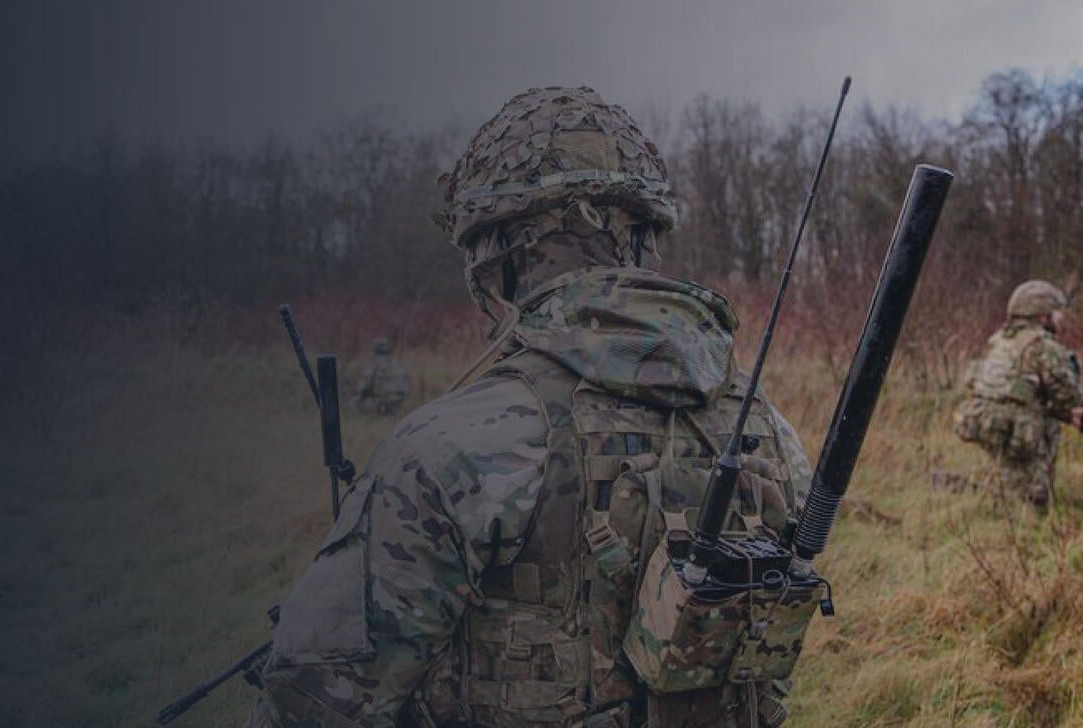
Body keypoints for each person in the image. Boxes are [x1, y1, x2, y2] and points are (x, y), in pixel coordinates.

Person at [248, 87, 812, 727]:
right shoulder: (766, 427)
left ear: (499, 254)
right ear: (647, 237)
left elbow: (312, 707)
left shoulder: (451, 448)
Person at [953, 280, 1083, 510]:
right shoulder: (1043, 346)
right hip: (1019, 430)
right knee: (1032, 502)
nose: (1061, 319)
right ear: (1043, 315)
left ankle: (995, 506)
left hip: (989, 423)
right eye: (1057, 313)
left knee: (1008, 485)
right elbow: (1070, 398)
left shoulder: (1000, 339)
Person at [353, 338, 413, 415]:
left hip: (380, 403)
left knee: (354, 401)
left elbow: (362, 389)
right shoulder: (399, 365)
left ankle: (358, 421)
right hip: (399, 404)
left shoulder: (373, 365)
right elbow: (406, 389)